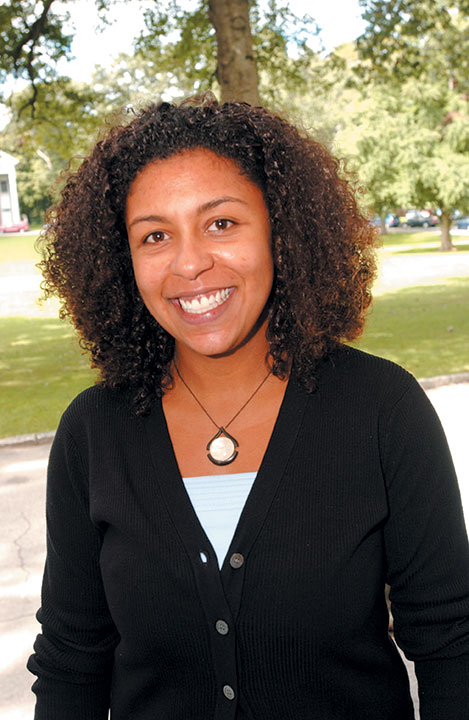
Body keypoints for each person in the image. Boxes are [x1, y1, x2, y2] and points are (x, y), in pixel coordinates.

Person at [28, 94, 469, 720]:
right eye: (155, 235)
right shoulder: (93, 432)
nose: (190, 263)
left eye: (221, 224)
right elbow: (71, 662)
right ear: (124, 261)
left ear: (281, 231)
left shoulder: (382, 409)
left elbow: (453, 645)